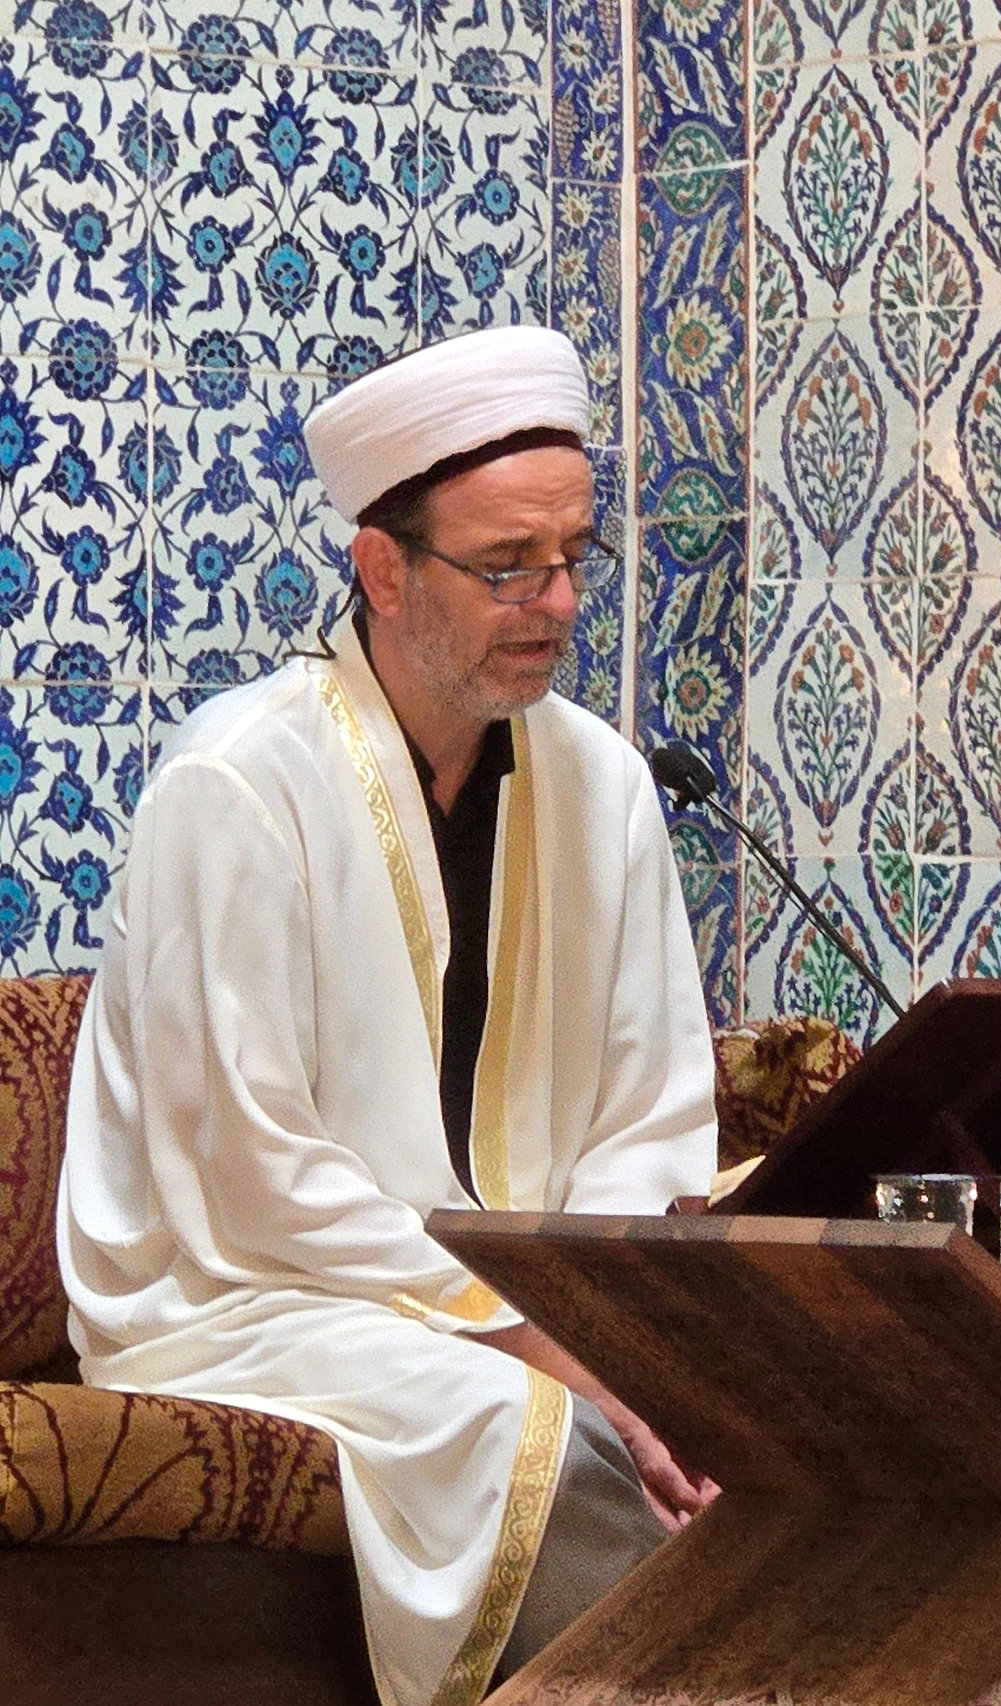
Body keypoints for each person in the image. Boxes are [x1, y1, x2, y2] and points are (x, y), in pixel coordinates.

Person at [57, 326, 719, 1706]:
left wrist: (622, 1338)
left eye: (574, 556)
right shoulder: (236, 784)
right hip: (243, 1298)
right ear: (383, 568)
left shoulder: (604, 784)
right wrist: (544, 1349)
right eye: (506, 566)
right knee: (531, 1435)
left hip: (531, 1307)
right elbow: (256, 1175)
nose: (554, 602)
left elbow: (648, 1113)